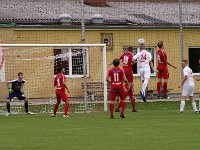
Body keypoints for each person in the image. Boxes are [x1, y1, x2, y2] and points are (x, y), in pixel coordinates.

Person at [115, 46, 137, 112]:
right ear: (132, 50)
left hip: (124, 70)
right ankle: (127, 90)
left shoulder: (124, 54)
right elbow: (132, 61)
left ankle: (118, 95)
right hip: (129, 71)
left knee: (123, 84)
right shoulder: (131, 54)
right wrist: (137, 62)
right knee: (130, 91)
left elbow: (119, 59)